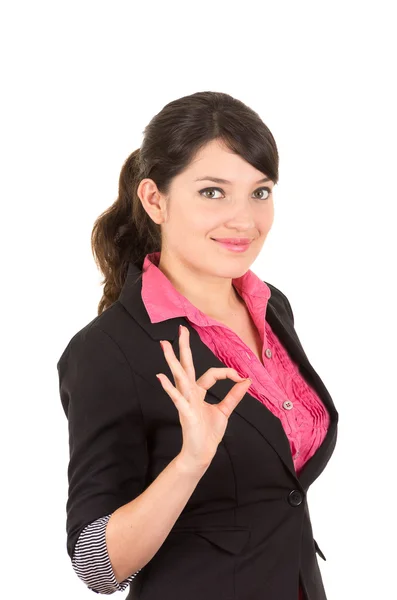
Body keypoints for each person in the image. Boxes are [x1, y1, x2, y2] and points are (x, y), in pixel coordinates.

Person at [57, 91, 338, 599]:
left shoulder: (272, 306)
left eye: (260, 191)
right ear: (154, 199)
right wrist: (190, 461)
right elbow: (95, 566)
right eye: (213, 192)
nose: (245, 220)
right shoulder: (107, 352)